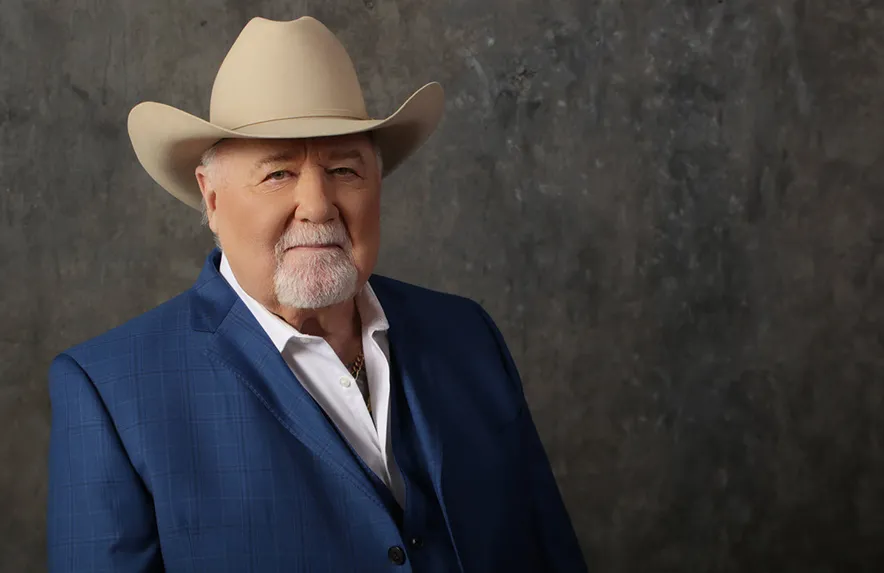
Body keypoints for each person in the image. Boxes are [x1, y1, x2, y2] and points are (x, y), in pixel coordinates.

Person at [46, 16, 587, 573]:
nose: (318, 205)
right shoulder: (110, 393)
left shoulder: (467, 336)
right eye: (278, 174)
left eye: (344, 169)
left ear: (377, 184)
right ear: (211, 199)